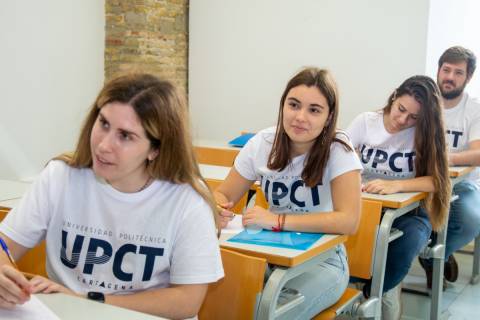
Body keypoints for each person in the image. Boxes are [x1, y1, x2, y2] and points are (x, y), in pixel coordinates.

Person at [0, 74, 224, 319]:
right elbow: (4, 243)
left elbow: (187, 301)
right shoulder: (60, 177)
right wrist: (3, 274)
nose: (103, 146)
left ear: (156, 149)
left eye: (125, 136)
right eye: (104, 123)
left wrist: (90, 300)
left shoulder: (187, 200)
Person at [215, 67, 362, 319]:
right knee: (220, 301)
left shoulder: (340, 150)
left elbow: (348, 221)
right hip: (267, 253)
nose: (300, 117)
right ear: (283, 106)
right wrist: (216, 209)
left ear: (328, 117)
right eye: (293, 105)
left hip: (323, 262)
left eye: (314, 110)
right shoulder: (262, 143)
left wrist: (277, 221)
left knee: (270, 313)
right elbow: (223, 194)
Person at [346, 75, 451, 320]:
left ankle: (370, 294)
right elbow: (336, 157)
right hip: (364, 207)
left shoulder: (426, 132)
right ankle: (367, 293)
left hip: (409, 214)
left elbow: (438, 180)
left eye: (414, 117)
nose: (403, 120)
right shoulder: (366, 122)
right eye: (401, 109)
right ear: (394, 97)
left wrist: (397, 185)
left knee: (404, 245)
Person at [418, 46, 480, 287]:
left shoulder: (474, 109)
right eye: (446, 70)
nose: (450, 77)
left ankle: (433, 255)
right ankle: (433, 251)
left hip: (463, 184)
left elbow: (477, 154)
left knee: (469, 219)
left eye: (458, 72)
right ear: (438, 70)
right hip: (424, 182)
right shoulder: (422, 102)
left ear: (468, 78)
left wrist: (443, 159)